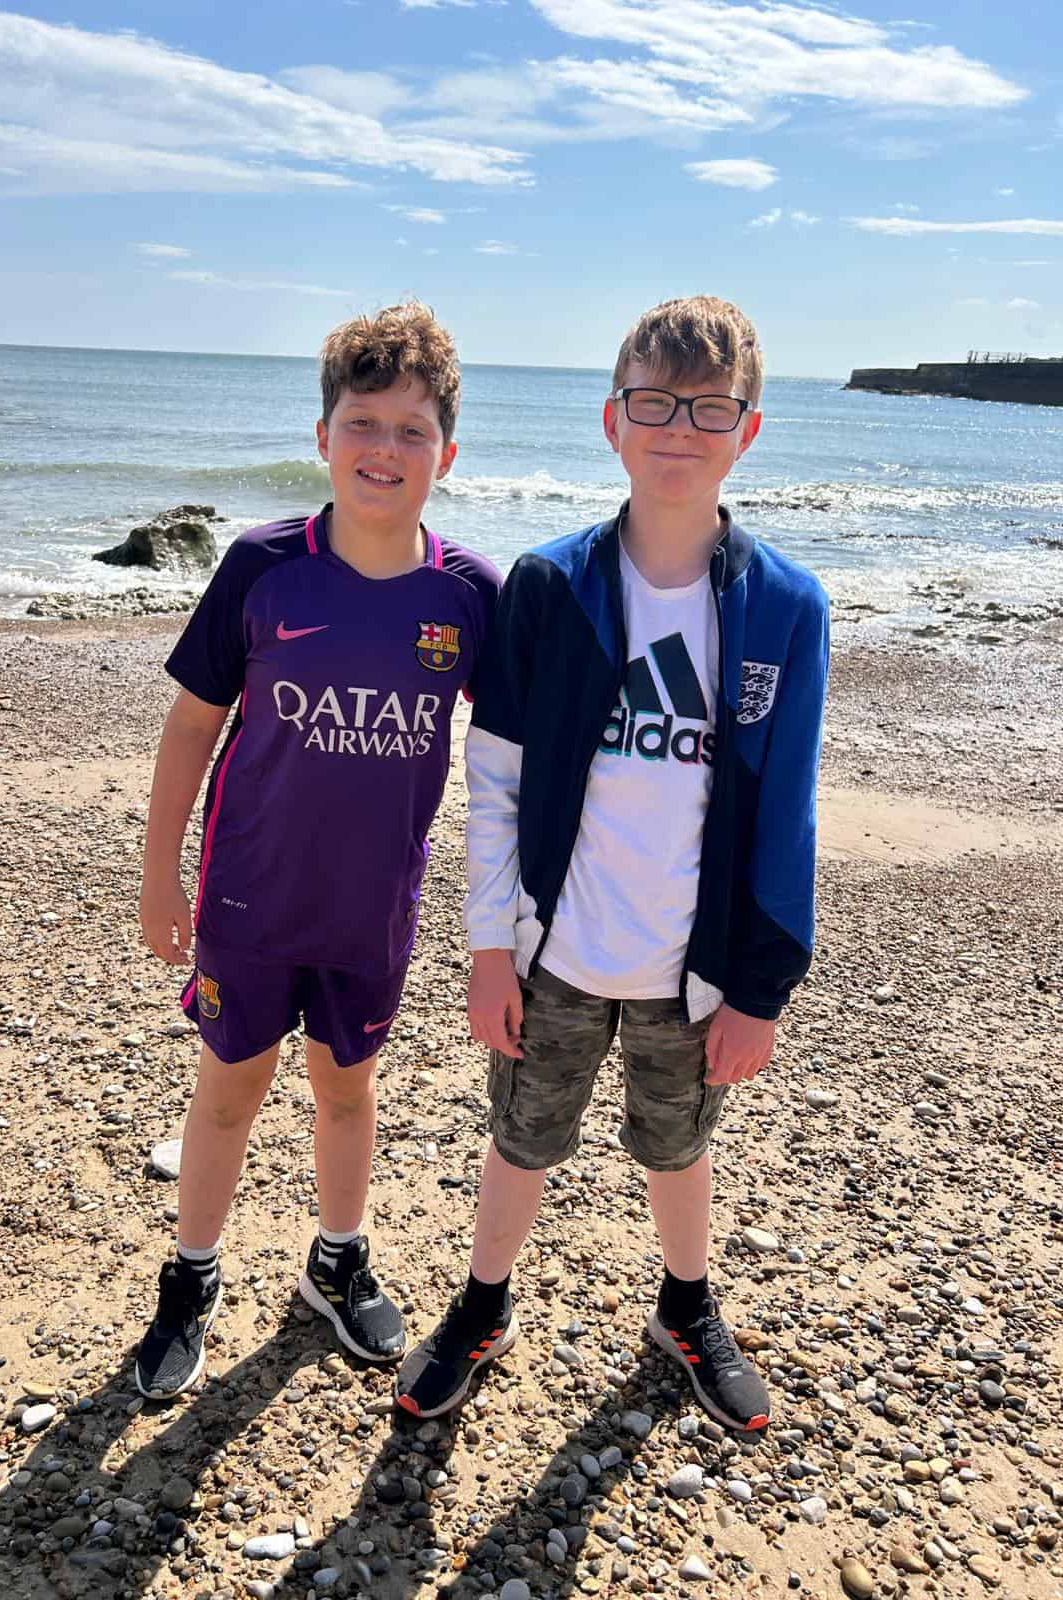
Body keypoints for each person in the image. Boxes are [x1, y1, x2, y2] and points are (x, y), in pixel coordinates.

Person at [396, 296, 829, 1431]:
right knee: (521, 1136)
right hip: (556, 949)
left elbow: (786, 813)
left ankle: (686, 1305)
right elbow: (494, 778)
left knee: (678, 1146)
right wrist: (491, 948)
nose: (679, 429)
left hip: (694, 962)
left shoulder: (787, 607)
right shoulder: (551, 586)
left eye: (710, 409)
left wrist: (762, 989)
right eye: (654, 404)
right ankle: (482, 1302)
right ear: (612, 421)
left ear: (748, 429)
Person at [133, 302, 501, 1400]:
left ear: (446, 452)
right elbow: (191, 727)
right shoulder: (263, 567)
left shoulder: (469, 594)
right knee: (228, 1091)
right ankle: (191, 1276)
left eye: (411, 430)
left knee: (347, 1090)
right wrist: (160, 874)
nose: (385, 449)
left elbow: (515, 760)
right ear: (324, 435)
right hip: (248, 900)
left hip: (370, 910)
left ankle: (337, 1260)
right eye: (363, 423)